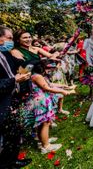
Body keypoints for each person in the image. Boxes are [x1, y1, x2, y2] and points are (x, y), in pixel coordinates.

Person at [23, 60, 73, 154]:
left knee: (41, 123)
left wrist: (63, 86)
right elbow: (47, 88)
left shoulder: (35, 75)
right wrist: (62, 91)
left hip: (38, 100)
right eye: (47, 68)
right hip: (41, 102)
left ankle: (42, 141)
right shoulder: (37, 76)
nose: (49, 70)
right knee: (45, 123)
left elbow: (49, 84)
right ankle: (46, 146)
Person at [0, 25, 32, 168]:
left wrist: (24, 68)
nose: (11, 42)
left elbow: (15, 68)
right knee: (6, 135)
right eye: (9, 38)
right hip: (2, 102)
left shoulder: (6, 53)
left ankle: (12, 161)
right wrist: (14, 80)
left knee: (14, 132)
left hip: (13, 97)